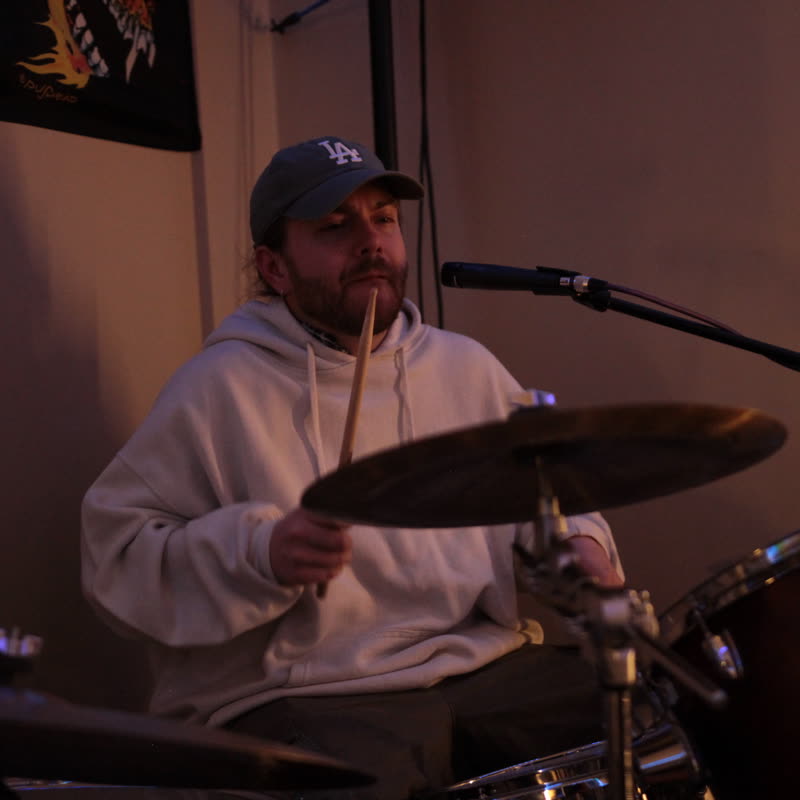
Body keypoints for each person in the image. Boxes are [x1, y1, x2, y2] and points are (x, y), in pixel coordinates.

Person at [81, 135, 625, 800]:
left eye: (384, 219)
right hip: (310, 692)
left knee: (653, 720)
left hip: (479, 663)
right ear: (275, 268)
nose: (371, 242)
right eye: (335, 226)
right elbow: (116, 558)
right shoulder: (217, 388)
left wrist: (580, 544)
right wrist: (260, 553)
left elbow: (543, 499)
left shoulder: (466, 368)